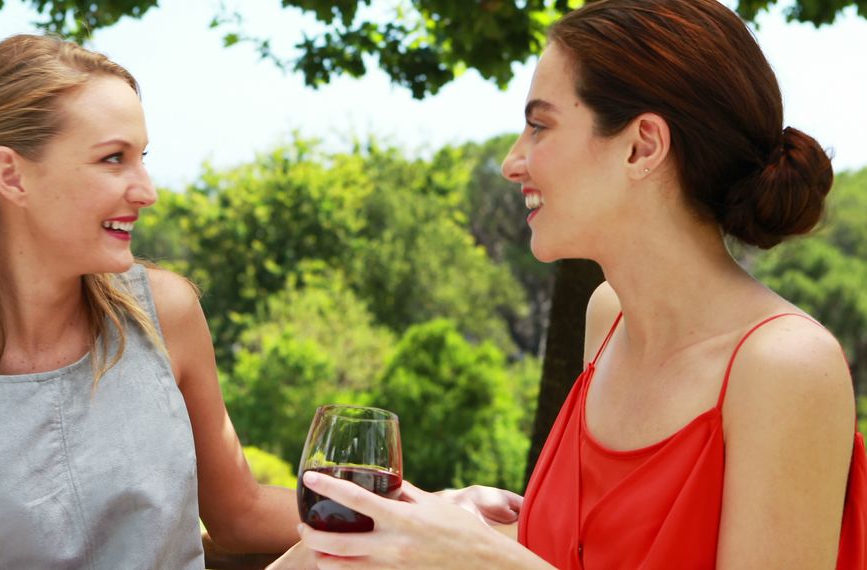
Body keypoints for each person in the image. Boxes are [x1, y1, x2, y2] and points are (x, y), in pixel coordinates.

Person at [282, 0, 867, 567]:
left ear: (642, 146)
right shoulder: (608, 318)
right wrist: (452, 519)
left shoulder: (786, 366)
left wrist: (488, 563)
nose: (514, 161)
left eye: (540, 126)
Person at [0, 34, 305, 569]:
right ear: (11, 175)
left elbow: (239, 514)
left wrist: (411, 513)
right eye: (113, 159)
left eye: (141, 157)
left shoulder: (166, 314)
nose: (145, 190)